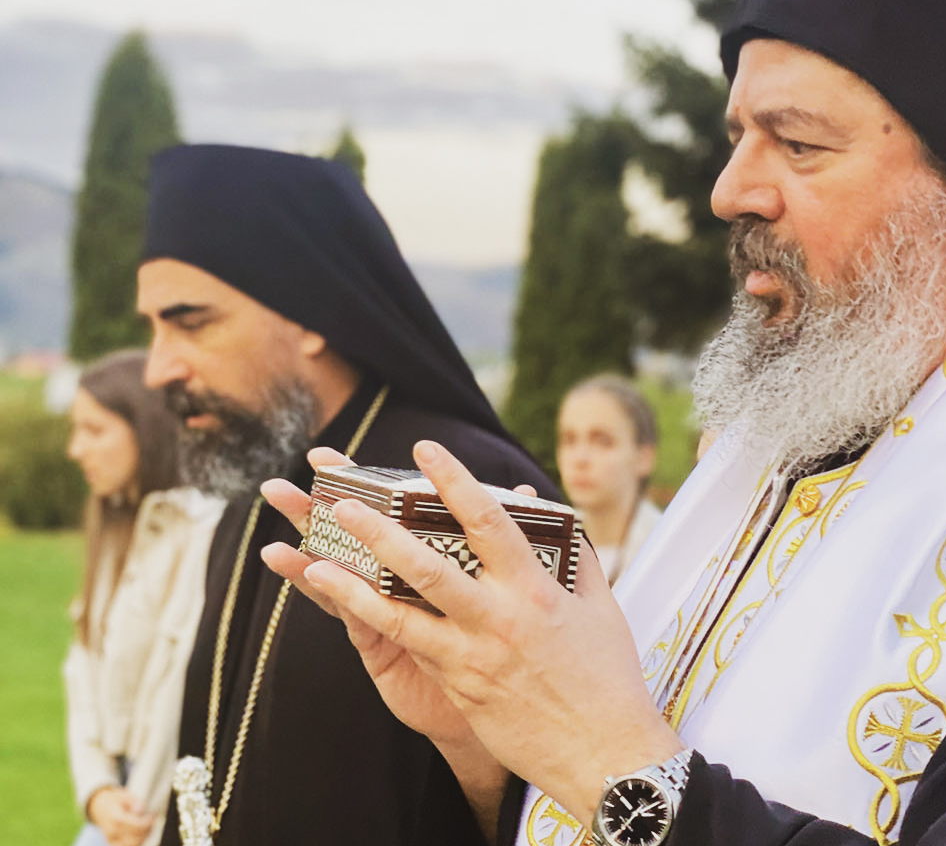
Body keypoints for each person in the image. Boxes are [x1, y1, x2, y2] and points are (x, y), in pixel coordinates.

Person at [262, 0, 946, 846]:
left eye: (797, 142)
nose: (729, 190)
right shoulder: (774, 454)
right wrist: (498, 749)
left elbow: (635, 773)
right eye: (737, 135)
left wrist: (602, 760)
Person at [136, 144, 555, 846]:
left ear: (308, 314)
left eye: (191, 322)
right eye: (152, 328)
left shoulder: (461, 491)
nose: (157, 368)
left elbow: (551, 787)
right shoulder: (260, 481)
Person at [63, 350, 222, 846]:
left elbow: (180, 688)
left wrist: (140, 812)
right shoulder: (113, 528)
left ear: (147, 429)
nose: (74, 450)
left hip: (155, 815)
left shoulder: (204, 533)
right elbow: (82, 667)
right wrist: (97, 789)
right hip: (114, 806)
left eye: (94, 430)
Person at [556, 375, 661, 584]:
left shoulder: (668, 549)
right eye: (569, 440)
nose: (580, 458)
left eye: (602, 441)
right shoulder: (548, 543)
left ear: (644, 458)